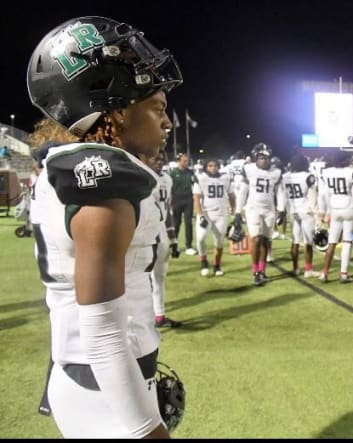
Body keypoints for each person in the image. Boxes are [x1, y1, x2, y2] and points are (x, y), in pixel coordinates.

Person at [27, 16, 182, 438]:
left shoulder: (75, 165)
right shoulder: (104, 180)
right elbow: (102, 333)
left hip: (96, 382)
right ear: (112, 110)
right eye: (157, 108)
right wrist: (147, 428)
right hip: (104, 392)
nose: (166, 123)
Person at [232, 142, 285, 286]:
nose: (264, 160)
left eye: (266, 158)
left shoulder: (276, 172)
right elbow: (242, 192)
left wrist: (282, 209)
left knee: (266, 241)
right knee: (256, 239)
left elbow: (280, 192)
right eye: (261, 157)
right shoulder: (248, 169)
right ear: (256, 157)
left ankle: (262, 270)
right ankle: (255, 272)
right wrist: (237, 212)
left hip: (269, 209)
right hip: (253, 208)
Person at [146, 149, 182, 329]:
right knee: (141, 279)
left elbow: (168, 211)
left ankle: (159, 315)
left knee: (159, 277)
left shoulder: (167, 179)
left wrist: (174, 239)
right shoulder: (141, 177)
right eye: (155, 158)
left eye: (162, 159)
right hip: (144, 234)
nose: (159, 162)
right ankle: (142, 318)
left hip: (160, 233)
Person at [317, 149, 353, 283]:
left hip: (335, 210)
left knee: (332, 242)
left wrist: (325, 211)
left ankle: (324, 273)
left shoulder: (326, 172)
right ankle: (343, 274)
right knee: (347, 242)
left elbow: (324, 194)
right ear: (345, 159)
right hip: (349, 210)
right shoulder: (351, 172)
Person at [280, 153, 322, 278]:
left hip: (293, 211)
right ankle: (308, 269)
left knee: (295, 241)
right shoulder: (308, 176)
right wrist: (317, 217)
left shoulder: (285, 176)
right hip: (306, 211)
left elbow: (284, 195)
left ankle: (296, 268)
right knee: (308, 242)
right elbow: (312, 200)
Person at [193, 158, 235, 277]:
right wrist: (200, 215)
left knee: (219, 242)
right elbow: (196, 198)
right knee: (200, 238)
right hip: (206, 213)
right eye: (210, 165)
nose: (213, 168)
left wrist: (234, 210)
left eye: (215, 165)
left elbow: (232, 195)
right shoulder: (201, 178)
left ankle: (217, 265)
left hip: (221, 214)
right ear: (206, 167)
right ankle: (203, 262)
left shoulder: (225, 178)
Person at [170, 152, 197, 255]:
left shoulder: (190, 172)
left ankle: (189, 246)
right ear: (179, 161)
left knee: (188, 223)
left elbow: (195, 184)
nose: (187, 162)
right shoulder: (172, 173)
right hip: (176, 200)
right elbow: (169, 188)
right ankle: (174, 245)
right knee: (176, 224)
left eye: (187, 161)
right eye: (184, 160)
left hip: (188, 200)